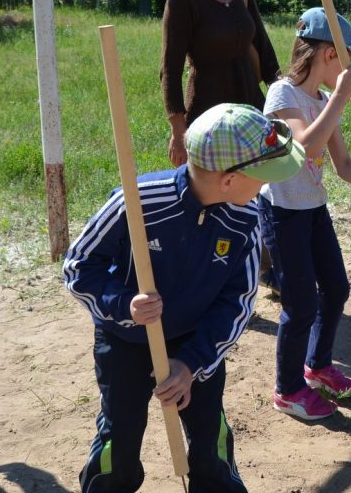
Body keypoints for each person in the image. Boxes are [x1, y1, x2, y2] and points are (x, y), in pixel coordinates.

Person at [64, 103, 305, 493]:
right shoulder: (137, 201)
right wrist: (123, 303)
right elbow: (79, 265)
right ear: (228, 179)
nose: (264, 186)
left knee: (211, 442)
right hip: (125, 341)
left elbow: (238, 302)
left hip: (197, 342)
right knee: (119, 441)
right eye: (260, 177)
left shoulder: (245, 218)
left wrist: (190, 365)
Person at [258, 9, 351, 420]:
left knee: (335, 289)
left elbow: (341, 165)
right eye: (348, 58)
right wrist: (338, 99)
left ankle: (317, 366)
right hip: (282, 211)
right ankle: (288, 390)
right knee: (300, 305)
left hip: (313, 208)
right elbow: (305, 149)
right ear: (329, 54)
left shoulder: (319, 99)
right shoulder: (283, 96)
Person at [161, 0, 281, 294]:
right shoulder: (184, 2)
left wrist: (283, 96)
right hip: (208, 116)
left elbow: (263, 46)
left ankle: (265, 268)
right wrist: (178, 132)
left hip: (250, 107)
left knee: (259, 189)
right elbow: (170, 69)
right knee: (212, 197)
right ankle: (205, 278)